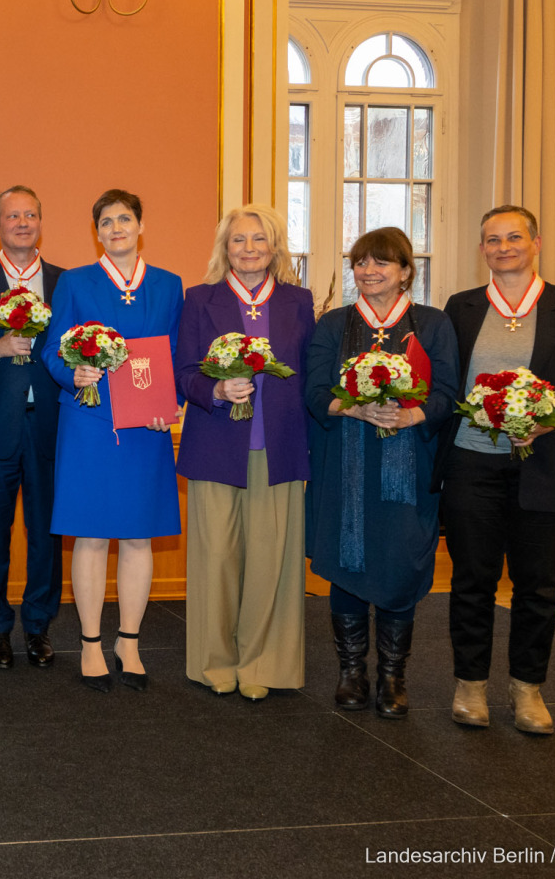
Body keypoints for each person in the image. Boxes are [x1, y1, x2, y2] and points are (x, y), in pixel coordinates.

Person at [435, 205, 555, 734]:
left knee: (536, 585)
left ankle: (527, 689)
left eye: (514, 237)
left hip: (547, 464)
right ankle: (470, 685)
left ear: (537, 242)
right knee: (472, 580)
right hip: (471, 464)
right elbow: (448, 382)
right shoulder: (461, 308)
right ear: (482, 249)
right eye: (492, 239)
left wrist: (551, 418)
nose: (503, 246)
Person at [304, 227, 458, 718]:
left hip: (408, 471)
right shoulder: (333, 324)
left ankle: (393, 675)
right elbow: (311, 390)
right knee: (348, 565)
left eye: (381, 263)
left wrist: (413, 414)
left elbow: (448, 393)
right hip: (344, 468)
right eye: (360, 262)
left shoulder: (432, 324)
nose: (368, 271)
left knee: (398, 565)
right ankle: (352, 672)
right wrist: (349, 408)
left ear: (405, 271)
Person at [44, 189, 182, 693]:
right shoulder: (75, 282)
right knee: (92, 534)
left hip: (146, 426)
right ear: (96, 231)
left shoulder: (169, 285)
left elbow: (176, 355)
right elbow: (53, 350)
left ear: (140, 225)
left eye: (125, 218)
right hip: (90, 423)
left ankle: (129, 641)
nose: (117, 227)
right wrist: (71, 372)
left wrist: (171, 405)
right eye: (107, 221)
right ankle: (89, 643)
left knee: (138, 534)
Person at [175, 204, 313, 702]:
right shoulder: (200, 299)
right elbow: (183, 371)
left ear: (274, 247)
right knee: (215, 558)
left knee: (271, 560)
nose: (249, 249)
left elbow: (308, 375)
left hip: (279, 449)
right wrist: (214, 390)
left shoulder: (299, 301)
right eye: (239, 240)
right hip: (215, 446)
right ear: (224, 248)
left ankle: (263, 662)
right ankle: (215, 662)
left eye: (259, 240)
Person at [0, 186, 64, 671]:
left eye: (30, 214)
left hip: (50, 428)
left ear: (40, 222)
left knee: (46, 534)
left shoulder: (68, 284)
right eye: (12, 215)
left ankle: (39, 626)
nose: (22, 222)